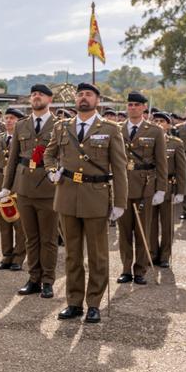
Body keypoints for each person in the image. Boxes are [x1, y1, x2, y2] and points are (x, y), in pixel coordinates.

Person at [43, 83, 128, 323]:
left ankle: (94, 304)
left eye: (88, 94)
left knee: (98, 255)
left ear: (97, 101)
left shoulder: (110, 129)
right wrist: (51, 171)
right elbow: (49, 154)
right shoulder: (62, 127)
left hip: (96, 196)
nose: (83, 98)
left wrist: (120, 201)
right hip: (67, 195)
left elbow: (120, 168)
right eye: (80, 94)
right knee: (71, 254)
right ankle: (73, 302)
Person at [0, 84, 59, 298]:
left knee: (49, 238)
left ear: (49, 99)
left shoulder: (59, 125)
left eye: (40, 94)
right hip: (23, 188)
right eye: (33, 94)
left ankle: (48, 280)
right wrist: (6, 186)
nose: (36, 97)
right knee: (30, 237)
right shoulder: (21, 125)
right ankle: (33, 278)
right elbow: (13, 158)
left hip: (48, 187)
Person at [116, 92, 168, 285]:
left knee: (142, 230)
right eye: (130, 104)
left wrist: (161, 189)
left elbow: (162, 163)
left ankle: (140, 270)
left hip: (146, 185)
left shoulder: (154, 131)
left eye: (137, 105)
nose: (133, 108)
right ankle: (125, 269)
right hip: (123, 185)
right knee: (123, 231)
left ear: (144, 108)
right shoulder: (117, 129)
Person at [148, 112, 186, 268]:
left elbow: (181, 169)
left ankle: (165, 255)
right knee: (150, 223)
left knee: (167, 224)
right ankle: (152, 253)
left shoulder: (175, 143)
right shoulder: (148, 140)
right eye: (155, 121)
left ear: (169, 125)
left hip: (169, 187)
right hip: (150, 186)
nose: (158, 123)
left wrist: (181, 191)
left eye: (162, 121)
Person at [0, 107, 25, 271]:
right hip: (0, 181)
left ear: (19, 121)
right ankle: (6, 255)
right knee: (4, 223)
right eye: (7, 118)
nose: (9, 121)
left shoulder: (23, 139)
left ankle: (18, 257)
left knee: (19, 222)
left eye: (13, 118)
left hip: (17, 182)